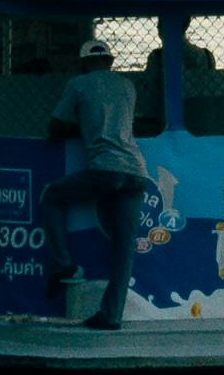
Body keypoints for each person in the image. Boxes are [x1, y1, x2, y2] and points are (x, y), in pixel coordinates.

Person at [36, 37, 149, 331]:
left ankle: (64, 264)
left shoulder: (78, 84)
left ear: (83, 63)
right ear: (111, 61)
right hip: (136, 171)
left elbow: (55, 127)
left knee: (52, 196)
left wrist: (80, 128)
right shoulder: (127, 85)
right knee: (125, 247)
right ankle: (111, 316)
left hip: (104, 169)